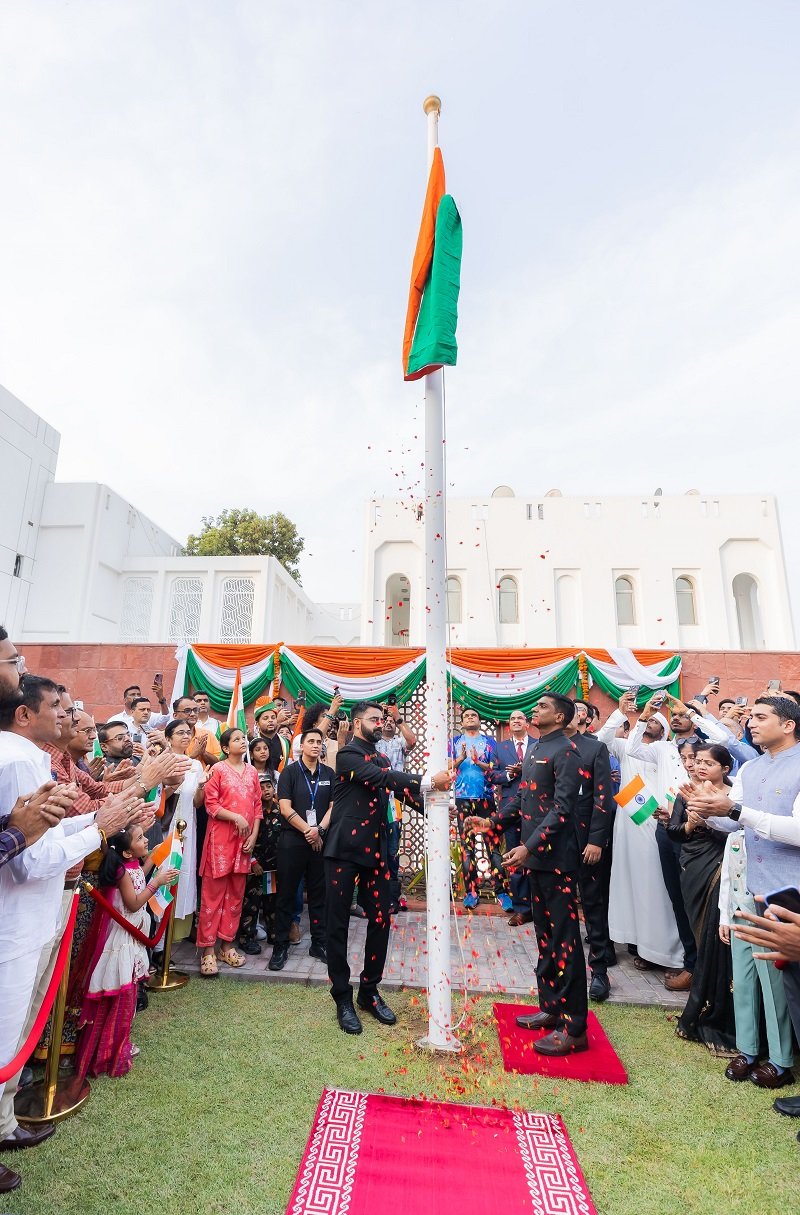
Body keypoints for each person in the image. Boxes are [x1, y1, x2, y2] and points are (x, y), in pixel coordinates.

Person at [0, 677, 142, 1175]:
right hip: (13, 926)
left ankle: (3, 1123)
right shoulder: (16, 760)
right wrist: (101, 828)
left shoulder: (29, 757)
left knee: (15, 1028)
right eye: (57, 707)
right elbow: (27, 861)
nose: (68, 714)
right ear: (23, 715)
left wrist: (100, 818)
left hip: (28, 919)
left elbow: (46, 832)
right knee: (4, 1034)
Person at [688, 695, 800, 1091]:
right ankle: (749, 1049)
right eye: (750, 716)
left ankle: (782, 1059)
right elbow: (736, 826)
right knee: (746, 975)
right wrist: (703, 810)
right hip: (747, 886)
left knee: (778, 982)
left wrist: (734, 812)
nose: (750, 723)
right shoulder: (750, 768)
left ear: (787, 725)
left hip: (788, 894)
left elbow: (796, 831)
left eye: (760, 717)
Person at [469, 694, 586, 1054]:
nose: (535, 711)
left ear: (561, 716)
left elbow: (563, 809)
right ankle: (551, 1009)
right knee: (545, 936)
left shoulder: (566, 751)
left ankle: (575, 1027)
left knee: (565, 940)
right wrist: (492, 821)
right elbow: (523, 799)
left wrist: (530, 846)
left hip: (556, 861)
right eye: (534, 708)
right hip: (537, 859)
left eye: (542, 708)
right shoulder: (538, 748)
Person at [323, 701, 450, 1035]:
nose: (381, 723)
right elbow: (383, 777)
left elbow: (397, 788)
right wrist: (426, 780)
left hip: (376, 852)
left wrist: (436, 809)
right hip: (343, 851)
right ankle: (342, 996)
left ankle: (369, 990)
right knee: (337, 924)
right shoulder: (348, 756)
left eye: (384, 719)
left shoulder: (380, 757)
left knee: (381, 919)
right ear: (356, 722)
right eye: (374, 719)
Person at [74, 824, 178, 1078]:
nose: (146, 840)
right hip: (122, 937)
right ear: (127, 852)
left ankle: (120, 1043)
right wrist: (156, 883)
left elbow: (138, 876)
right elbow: (132, 903)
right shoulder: (121, 871)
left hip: (134, 936)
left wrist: (151, 862)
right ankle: (108, 1052)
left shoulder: (130, 866)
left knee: (128, 996)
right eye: (140, 838)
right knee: (121, 994)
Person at [598, 693, 685, 974]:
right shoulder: (626, 746)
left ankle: (662, 949)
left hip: (658, 822)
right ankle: (636, 941)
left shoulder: (669, 752)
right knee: (630, 883)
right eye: (649, 719)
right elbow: (603, 740)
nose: (651, 723)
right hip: (629, 823)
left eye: (659, 719)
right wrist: (622, 713)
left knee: (656, 887)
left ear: (665, 729)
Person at [666, 745, 737, 1054]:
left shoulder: (733, 798)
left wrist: (710, 820)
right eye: (698, 761)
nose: (701, 767)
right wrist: (692, 824)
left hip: (725, 866)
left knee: (715, 932)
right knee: (698, 928)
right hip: (692, 865)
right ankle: (699, 982)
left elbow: (739, 831)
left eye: (710, 762)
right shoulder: (687, 793)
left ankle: (710, 1005)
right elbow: (673, 831)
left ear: (725, 768)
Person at [197, 728, 262, 977]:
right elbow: (210, 805)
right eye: (236, 739)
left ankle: (227, 945)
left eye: (243, 738)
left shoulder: (252, 771)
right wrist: (235, 816)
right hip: (220, 840)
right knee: (212, 896)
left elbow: (257, 807)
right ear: (225, 748)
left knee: (235, 896)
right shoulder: (218, 770)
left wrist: (254, 836)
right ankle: (208, 951)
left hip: (244, 842)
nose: (242, 741)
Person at [269, 728, 334, 971]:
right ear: (302, 746)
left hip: (319, 841)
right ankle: (280, 946)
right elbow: (285, 808)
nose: (316, 745)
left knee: (320, 894)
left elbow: (333, 807)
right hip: (293, 840)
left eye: (319, 742)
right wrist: (309, 830)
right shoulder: (290, 773)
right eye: (311, 742)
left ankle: (319, 942)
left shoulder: (329, 773)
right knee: (286, 895)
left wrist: (319, 831)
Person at [565, 705, 617, 1003]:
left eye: (577, 711)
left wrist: (597, 839)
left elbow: (603, 796)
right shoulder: (542, 748)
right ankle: (564, 968)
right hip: (552, 844)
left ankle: (599, 971)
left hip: (586, 842)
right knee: (559, 908)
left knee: (593, 904)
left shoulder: (594, 748)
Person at [449, 708, 510, 911]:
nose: (469, 718)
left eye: (473, 715)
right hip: (462, 800)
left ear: (479, 720)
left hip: (486, 798)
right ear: (462, 722)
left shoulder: (491, 743)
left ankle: (501, 892)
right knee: (467, 848)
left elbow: (495, 769)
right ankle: (471, 892)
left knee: (493, 846)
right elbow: (448, 768)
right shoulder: (455, 742)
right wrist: (461, 758)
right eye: (466, 716)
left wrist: (477, 762)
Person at [491, 709, 535, 925]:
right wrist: (510, 774)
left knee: (537, 855)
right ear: (509, 725)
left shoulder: (539, 744)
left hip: (536, 808)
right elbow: (492, 775)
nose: (516, 721)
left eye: (520, 718)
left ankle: (540, 905)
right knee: (514, 858)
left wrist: (525, 770)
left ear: (527, 723)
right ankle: (522, 908)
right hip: (510, 808)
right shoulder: (500, 747)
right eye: (512, 718)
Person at [163, 719, 206, 926]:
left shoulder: (196, 764)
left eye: (188, 732)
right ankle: (160, 931)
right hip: (165, 826)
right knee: (164, 870)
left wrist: (201, 787)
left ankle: (178, 929)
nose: (186, 736)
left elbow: (198, 803)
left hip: (187, 824)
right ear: (168, 738)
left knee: (184, 872)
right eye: (180, 733)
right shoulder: (162, 760)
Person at [375, 704, 417, 914]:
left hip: (394, 803)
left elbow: (412, 741)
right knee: (374, 848)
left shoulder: (400, 741)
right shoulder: (373, 742)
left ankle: (392, 898)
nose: (388, 722)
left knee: (392, 850)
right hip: (373, 799)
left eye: (391, 720)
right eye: (385, 719)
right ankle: (375, 896)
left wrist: (399, 718)